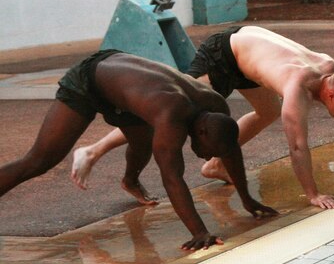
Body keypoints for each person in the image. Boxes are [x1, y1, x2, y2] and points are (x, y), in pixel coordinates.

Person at [71, 26, 334, 210]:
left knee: (265, 111)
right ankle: (93, 150)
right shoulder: (297, 89)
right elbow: (297, 147)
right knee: (172, 113)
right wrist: (312, 194)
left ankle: (216, 165)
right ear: (331, 95)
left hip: (250, 54)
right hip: (225, 54)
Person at [0, 51, 277, 251]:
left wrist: (247, 198)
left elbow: (229, 149)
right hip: (91, 80)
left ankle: (130, 181)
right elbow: (172, 177)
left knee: (141, 141)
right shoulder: (171, 117)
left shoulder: (217, 107)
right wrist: (200, 232)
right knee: (40, 159)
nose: (206, 157)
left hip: (124, 82)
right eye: (207, 152)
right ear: (201, 132)